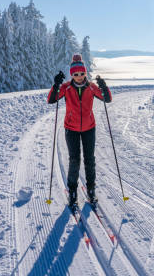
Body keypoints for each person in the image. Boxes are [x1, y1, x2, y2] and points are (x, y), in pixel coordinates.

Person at [47, 54, 112, 208]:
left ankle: (91, 189)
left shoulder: (91, 87)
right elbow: (51, 100)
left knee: (90, 159)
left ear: (85, 73)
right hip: (71, 129)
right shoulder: (66, 87)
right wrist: (56, 85)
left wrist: (103, 86)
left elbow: (107, 98)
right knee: (74, 160)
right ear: (72, 74)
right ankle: (73, 191)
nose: (79, 77)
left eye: (81, 73)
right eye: (75, 74)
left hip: (89, 128)